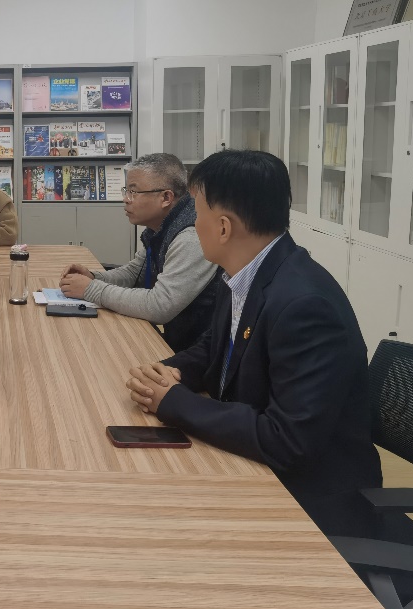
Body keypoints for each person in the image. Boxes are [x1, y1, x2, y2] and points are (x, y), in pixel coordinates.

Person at [126, 150, 382, 539]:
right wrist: (171, 371)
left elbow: (287, 440)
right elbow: (214, 347)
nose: (194, 225)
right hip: (252, 463)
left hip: (310, 498)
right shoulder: (247, 272)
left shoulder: (305, 306)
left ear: (224, 228)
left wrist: (174, 402)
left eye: (198, 214)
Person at [59, 153, 218, 349]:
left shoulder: (190, 237)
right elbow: (135, 273)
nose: (126, 199)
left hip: (196, 354)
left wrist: (91, 289)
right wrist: (94, 277)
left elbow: (160, 306)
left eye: (133, 192)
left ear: (166, 197)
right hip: (175, 343)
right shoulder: (160, 227)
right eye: (126, 191)